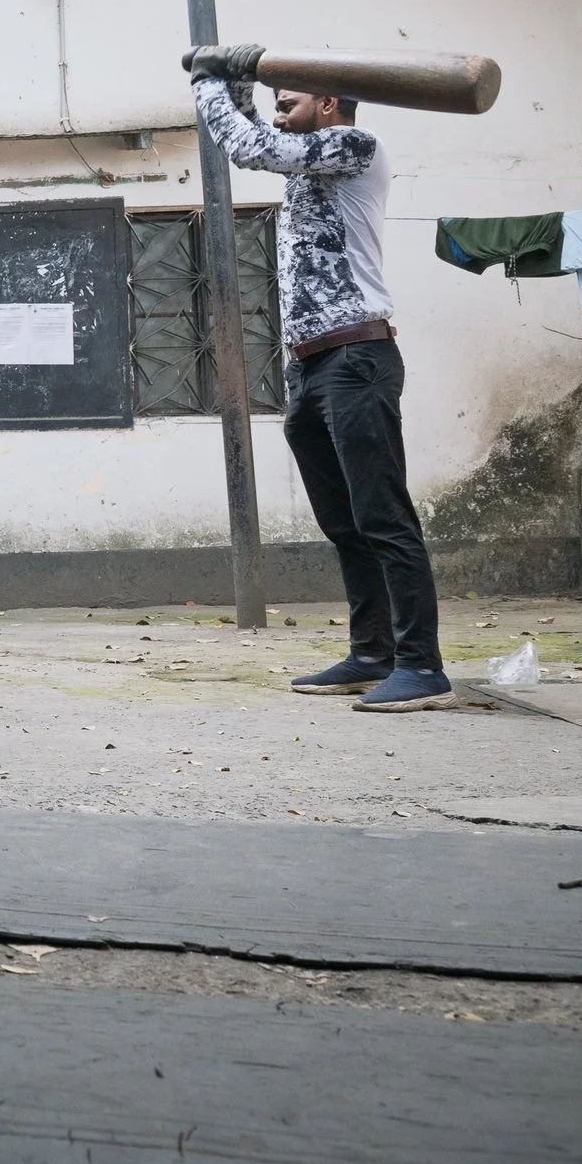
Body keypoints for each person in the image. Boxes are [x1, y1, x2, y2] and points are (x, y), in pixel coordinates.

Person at [192, 47, 447, 711]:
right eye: (274, 100)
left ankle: (423, 667)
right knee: (344, 521)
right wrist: (240, 77)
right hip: (310, 365)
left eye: (290, 100)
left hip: (357, 357)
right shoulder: (311, 156)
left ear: (329, 103)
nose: (277, 111)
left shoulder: (355, 145)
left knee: (384, 517)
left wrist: (209, 83)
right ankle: (372, 653)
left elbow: (246, 144)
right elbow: (260, 133)